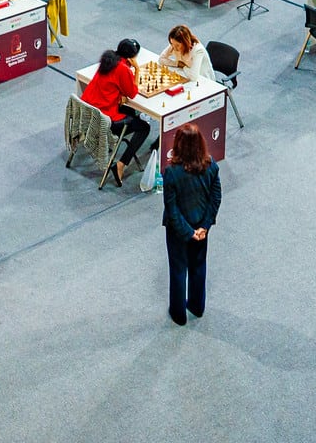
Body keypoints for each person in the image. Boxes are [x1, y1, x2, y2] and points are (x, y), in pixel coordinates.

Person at [161, 122, 220, 326]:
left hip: (179, 231)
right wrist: (204, 226)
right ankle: (197, 305)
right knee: (198, 266)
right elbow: (216, 197)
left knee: (178, 269)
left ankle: (178, 314)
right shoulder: (211, 165)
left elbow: (172, 208)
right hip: (201, 228)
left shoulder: (171, 173)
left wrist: (187, 232)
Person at [82, 39, 152, 186]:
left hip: (89, 112)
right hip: (105, 118)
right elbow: (132, 93)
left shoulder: (107, 60)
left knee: (131, 112)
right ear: (131, 57)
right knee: (144, 127)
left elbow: (111, 84)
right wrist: (137, 70)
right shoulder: (123, 69)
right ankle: (121, 164)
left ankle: (114, 143)